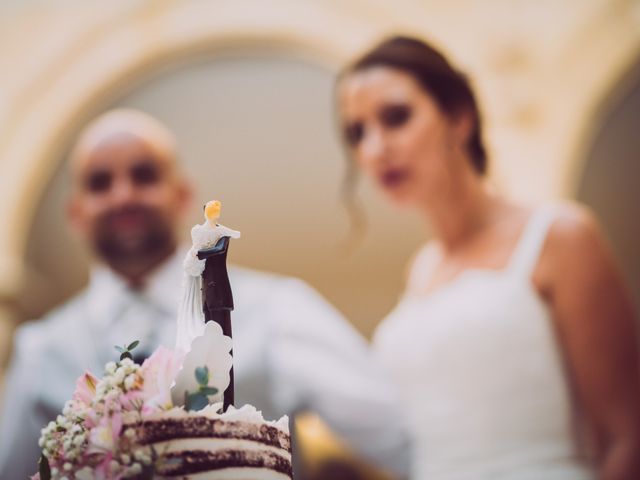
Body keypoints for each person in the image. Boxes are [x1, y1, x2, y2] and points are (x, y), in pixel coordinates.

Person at [0, 109, 410, 479]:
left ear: (182, 196)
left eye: (144, 175)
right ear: (76, 212)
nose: (122, 194)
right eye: (99, 183)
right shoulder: (39, 351)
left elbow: (401, 441)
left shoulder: (278, 309)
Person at [336, 35, 640, 479]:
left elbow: (625, 439)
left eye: (396, 117)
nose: (375, 148)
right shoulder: (421, 270)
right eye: (356, 132)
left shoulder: (559, 236)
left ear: (459, 117)